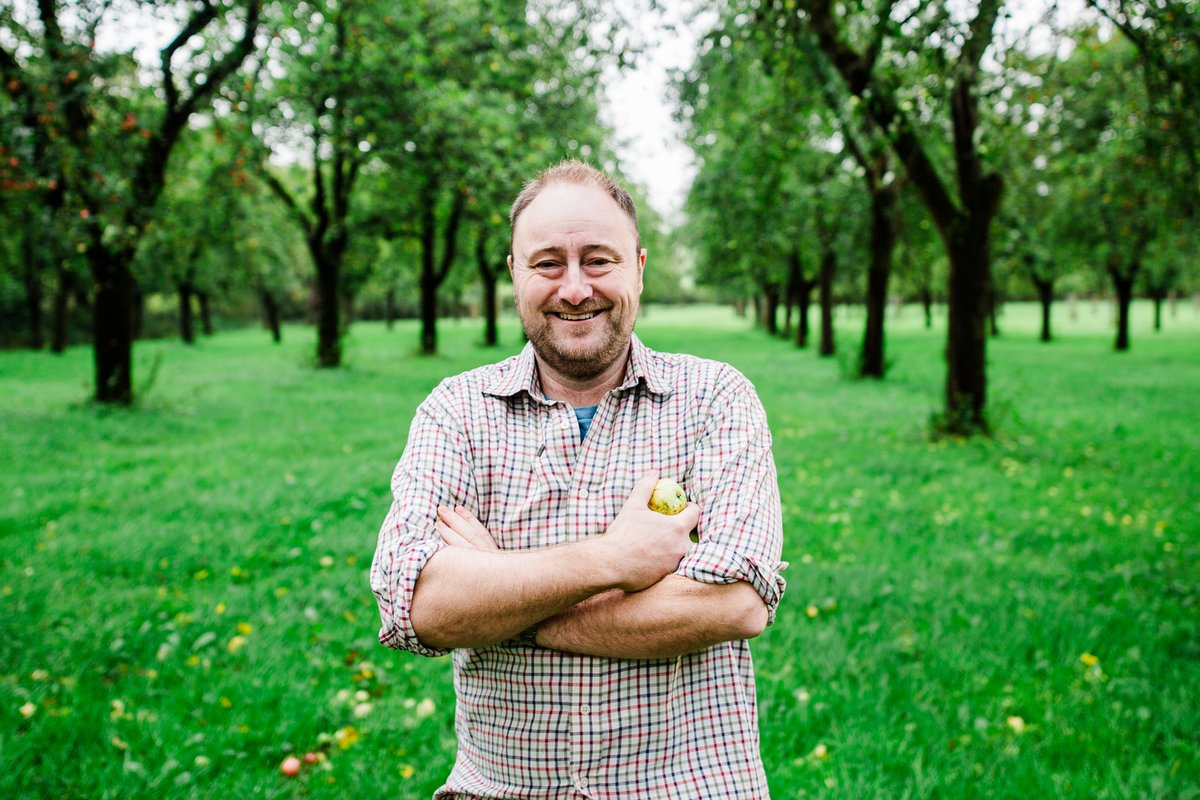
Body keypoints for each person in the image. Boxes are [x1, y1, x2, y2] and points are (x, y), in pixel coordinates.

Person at [370, 160, 787, 799]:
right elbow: (420, 606)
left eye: (598, 261)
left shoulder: (714, 400)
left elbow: (736, 603)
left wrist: (510, 602)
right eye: (547, 264)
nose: (574, 288)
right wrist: (615, 559)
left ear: (638, 269)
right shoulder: (457, 412)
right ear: (513, 274)